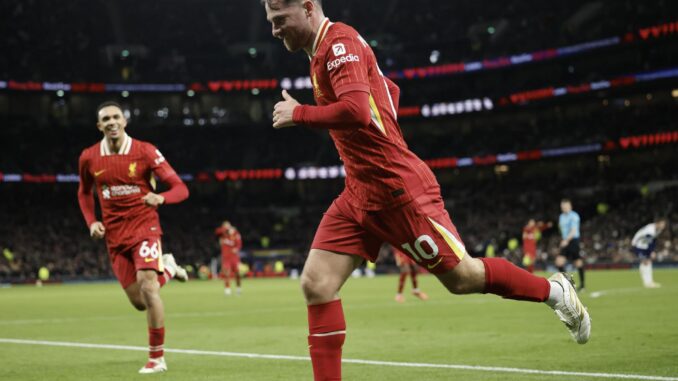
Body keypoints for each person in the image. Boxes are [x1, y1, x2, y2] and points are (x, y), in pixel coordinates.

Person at [262, 1, 591, 379]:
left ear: (307, 8)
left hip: (396, 191)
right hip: (359, 193)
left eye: (280, 20)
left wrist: (299, 114)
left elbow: (356, 110)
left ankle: (554, 292)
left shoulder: (338, 45)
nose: (274, 30)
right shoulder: (326, 51)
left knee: (463, 278)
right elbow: (388, 91)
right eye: (271, 22)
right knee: (316, 284)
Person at [77, 101, 189, 374]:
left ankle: (157, 358)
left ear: (125, 121)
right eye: (106, 119)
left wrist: (161, 197)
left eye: (116, 117)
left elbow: (180, 188)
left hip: (144, 228)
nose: (112, 122)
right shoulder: (89, 157)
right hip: (115, 236)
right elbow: (84, 192)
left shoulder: (145, 151)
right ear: (99, 126)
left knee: (149, 288)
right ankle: (170, 268)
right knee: (139, 302)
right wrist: (92, 222)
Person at [557, 199, 585, 290]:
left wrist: (566, 240)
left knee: (577, 263)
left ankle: (582, 285)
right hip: (565, 240)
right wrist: (563, 239)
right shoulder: (561, 216)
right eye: (562, 207)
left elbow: (573, 230)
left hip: (573, 241)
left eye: (565, 206)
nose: (563, 208)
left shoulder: (574, 216)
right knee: (559, 262)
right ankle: (568, 283)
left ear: (570, 206)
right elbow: (562, 229)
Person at [631, 218, 667, 288]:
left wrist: (652, 250)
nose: (663, 226)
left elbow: (653, 241)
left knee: (648, 262)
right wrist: (651, 251)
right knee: (646, 262)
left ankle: (649, 282)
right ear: (658, 223)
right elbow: (649, 240)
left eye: (664, 225)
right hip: (638, 245)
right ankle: (648, 282)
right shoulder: (650, 229)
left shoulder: (658, 230)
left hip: (644, 245)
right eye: (662, 224)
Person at [215, 220, 243, 295]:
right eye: (225, 226)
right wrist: (226, 229)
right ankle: (227, 290)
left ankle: (238, 288)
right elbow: (217, 231)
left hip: (234, 257)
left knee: (237, 274)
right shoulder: (222, 234)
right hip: (226, 258)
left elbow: (239, 244)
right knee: (226, 273)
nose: (226, 227)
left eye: (227, 225)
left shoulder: (235, 234)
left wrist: (236, 249)